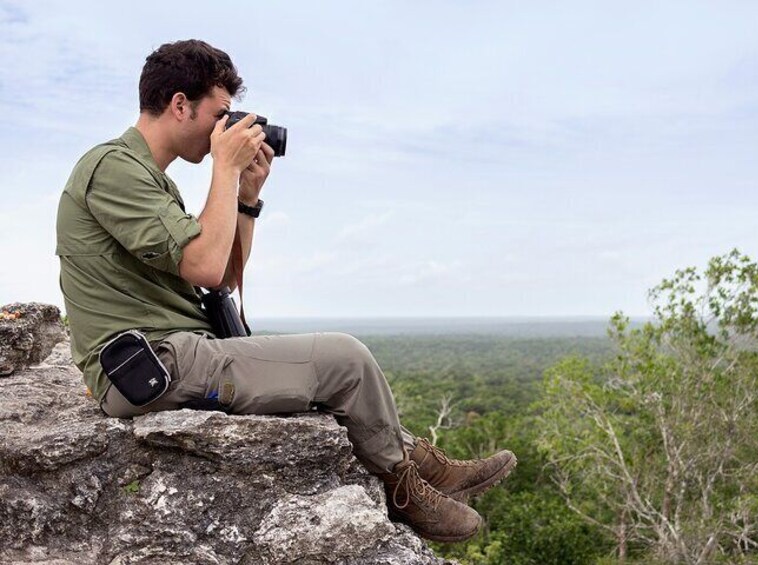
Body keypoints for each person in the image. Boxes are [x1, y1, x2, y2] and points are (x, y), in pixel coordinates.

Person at [55, 39, 516, 543]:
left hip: (179, 353)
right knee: (346, 357)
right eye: (221, 115)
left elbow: (225, 275)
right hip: (151, 365)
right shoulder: (113, 168)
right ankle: (405, 490)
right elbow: (207, 266)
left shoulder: (151, 181)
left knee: (321, 371)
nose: (228, 130)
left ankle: (427, 466)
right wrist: (224, 170)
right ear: (180, 104)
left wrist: (246, 198)